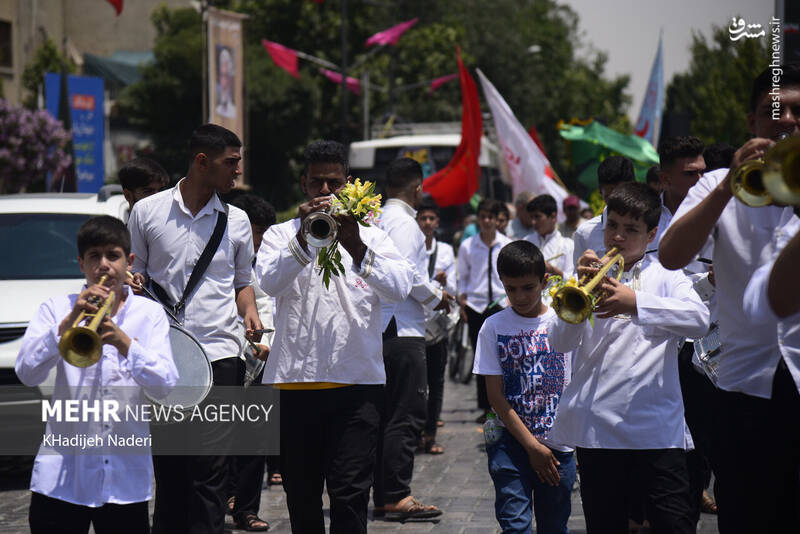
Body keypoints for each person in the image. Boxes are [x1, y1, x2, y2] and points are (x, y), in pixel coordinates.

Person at [658, 64, 800, 533]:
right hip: (743, 386)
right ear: (752, 123)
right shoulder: (716, 183)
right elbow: (674, 254)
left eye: (798, 114)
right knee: (744, 515)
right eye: (773, 113)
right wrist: (728, 184)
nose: (786, 124)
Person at [255, 140, 413, 533]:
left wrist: (357, 246)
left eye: (334, 183)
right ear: (304, 184)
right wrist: (306, 240)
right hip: (293, 383)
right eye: (317, 184)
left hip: (357, 384)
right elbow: (269, 282)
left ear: (347, 183)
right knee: (301, 494)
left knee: (350, 492)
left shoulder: (372, 236)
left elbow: (400, 287)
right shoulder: (280, 235)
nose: (326, 192)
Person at [548, 182, 710, 533]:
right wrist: (578, 289)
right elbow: (560, 344)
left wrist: (635, 303)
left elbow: (699, 321)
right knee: (605, 524)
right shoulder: (585, 277)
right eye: (612, 226)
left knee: (673, 523)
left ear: (651, 234)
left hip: (656, 430)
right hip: (598, 429)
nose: (617, 237)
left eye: (631, 230)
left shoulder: (667, 275)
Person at [128, 123, 263, 534]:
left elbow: (243, 281)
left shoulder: (236, 220)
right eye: (231, 162)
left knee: (212, 469)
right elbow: (137, 273)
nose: (237, 171)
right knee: (170, 468)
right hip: (163, 354)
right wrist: (132, 284)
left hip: (221, 352)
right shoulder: (146, 212)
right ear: (202, 161)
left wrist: (251, 310)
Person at [16, 215, 178, 534]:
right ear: (81, 264)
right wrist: (68, 323)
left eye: (112, 255)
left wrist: (124, 342)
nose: (104, 265)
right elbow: (27, 373)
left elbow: (167, 387)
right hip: (60, 478)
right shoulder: (54, 308)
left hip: (124, 482)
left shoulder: (150, 314)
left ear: (129, 261)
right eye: (94, 257)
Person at [473, 240, 575, 534]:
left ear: (544, 281)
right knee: (515, 525)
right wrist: (531, 446)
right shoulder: (493, 327)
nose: (519, 296)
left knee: (554, 524)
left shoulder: (564, 321)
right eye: (510, 289)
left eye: (528, 287)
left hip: (557, 445)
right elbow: (495, 395)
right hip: (509, 442)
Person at [374, 158, 450, 520]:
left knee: (386, 415)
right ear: (417, 188)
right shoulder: (405, 224)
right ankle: (396, 495)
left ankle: (385, 492)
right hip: (401, 328)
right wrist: (437, 296)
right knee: (405, 415)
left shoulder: (375, 217)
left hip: (383, 328)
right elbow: (403, 277)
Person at [225, 193, 277, 532]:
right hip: (225, 354)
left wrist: (267, 343)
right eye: (256, 231)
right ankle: (220, 500)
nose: (258, 239)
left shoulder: (268, 260)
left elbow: (269, 305)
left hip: (260, 357)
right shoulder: (222, 256)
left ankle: (246, 508)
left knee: (254, 438)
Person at [457, 199, 512, 419]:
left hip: (499, 303)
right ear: (478, 219)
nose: (487, 221)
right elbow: (462, 276)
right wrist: (462, 301)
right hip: (475, 305)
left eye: (491, 217)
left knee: (503, 356)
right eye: (483, 217)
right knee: (481, 358)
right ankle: (485, 406)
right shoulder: (468, 246)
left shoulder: (506, 243)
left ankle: (504, 404)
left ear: (497, 220)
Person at [416, 194, 457, 455]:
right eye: (423, 218)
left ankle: (430, 434)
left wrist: (443, 282)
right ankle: (416, 431)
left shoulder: (446, 250)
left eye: (431, 218)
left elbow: (454, 287)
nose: (427, 223)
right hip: (416, 325)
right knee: (416, 385)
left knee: (436, 381)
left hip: (437, 325)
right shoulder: (412, 248)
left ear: (437, 221)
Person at [571, 156, 636, 266]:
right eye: (610, 196)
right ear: (600, 191)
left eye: (622, 195)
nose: (617, 203)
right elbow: (576, 276)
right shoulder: (584, 233)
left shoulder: (652, 227)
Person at [523, 194, 574, 279]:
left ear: (553, 216)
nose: (533, 222)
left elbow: (573, 278)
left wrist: (553, 270)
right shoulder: (526, 242)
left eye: (537, 217)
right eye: (531, 217)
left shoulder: (568, 245)